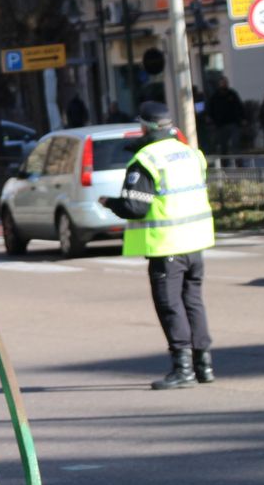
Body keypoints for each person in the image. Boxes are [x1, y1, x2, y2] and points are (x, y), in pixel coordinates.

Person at [99, 101, 216, 390]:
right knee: (193, 303)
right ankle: (204, 365)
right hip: (195, 242)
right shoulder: (191, 154)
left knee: (170, 306)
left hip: (167, 247)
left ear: (146, 128)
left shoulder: (146, 160)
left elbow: (135, 207)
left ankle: (183, 368)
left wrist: (110, 203)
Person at [206, 75, 245, 157]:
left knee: (236, 143)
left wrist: (242, 118)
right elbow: (210, 110)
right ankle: (225, 164)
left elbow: (239, 106)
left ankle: (239, 163)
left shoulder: (232, 94)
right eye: (222, 83)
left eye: (225, 83)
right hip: (221, 125)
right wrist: (212, 120)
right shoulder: (215, 97)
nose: (224, 84)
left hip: (233, 123)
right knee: (223, 146)